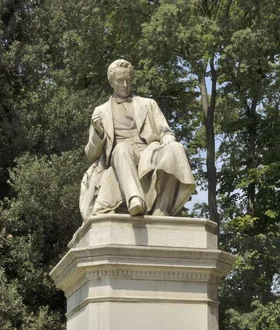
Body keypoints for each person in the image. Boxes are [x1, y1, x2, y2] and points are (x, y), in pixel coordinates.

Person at [80, 59, 195, 220]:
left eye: (128, 80)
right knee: (121, 148)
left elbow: (166, 132)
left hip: (150, 153)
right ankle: (135, 199)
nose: (125, 85)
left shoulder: (148, 104)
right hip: (123, 157)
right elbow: (91, 154)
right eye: (121, 81)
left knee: (176, 148)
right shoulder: (101, 111)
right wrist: (98, 132)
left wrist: (168, 140)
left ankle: (161, 209)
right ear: (111, 82)